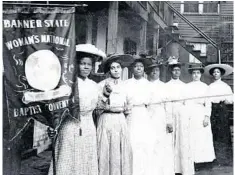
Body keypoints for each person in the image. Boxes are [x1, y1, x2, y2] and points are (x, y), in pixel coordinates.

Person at [48, 44, 106, 175]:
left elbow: (98, 108)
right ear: (76, 65)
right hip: (70, 125)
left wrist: (106, 95)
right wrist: (53, 126)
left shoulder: (94, 86)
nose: (86, 67)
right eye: (82, 63)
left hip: (88, 126)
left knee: (86, 159)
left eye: (89, 64)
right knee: (68, 158)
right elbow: (57, 106)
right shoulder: (68, 83)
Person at [96, 54, 133, 175]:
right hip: (106, 119)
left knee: (120, 151)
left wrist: (126, 121)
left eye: (118, 67)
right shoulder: (102, 85)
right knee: (106, 151)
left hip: (120, 120)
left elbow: (129, 107)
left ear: (122, 69)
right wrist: (105, 97)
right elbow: (97, 107)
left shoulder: (126, 86)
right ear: (109, 70)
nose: (116, 70)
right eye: (112, 68)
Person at [165, 56, 194, 175]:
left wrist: (187, 116)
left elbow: (188, 102)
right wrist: (168, 119)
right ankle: (172, 169)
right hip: (171, 111)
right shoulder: (166, 86)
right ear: (170, 72)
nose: (176, 72)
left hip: (182, 113)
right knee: (170, 140)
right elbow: (166, 102)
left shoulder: (184, 86)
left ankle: (183, 169)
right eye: (174, 70)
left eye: (178, 70)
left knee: (183, 140)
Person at [124, 58, 153, 175]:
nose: (139, 68)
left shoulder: (148, 84)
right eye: (136, 66)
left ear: (144, 69)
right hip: (131, 114)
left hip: (143, 113)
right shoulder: (126, 83)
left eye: (141, 66)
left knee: (144, 142)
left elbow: (151, 102)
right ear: (132, 69)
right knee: (132, 142)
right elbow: (123, 100)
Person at [146, 62, 175, 175]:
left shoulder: (164, 86)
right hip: (147, 115)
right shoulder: (145, 85)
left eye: (157, 70)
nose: (154, 72)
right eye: (152, 70)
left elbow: (168, 104)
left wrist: (169, 121)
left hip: (160, 116)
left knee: (161, 143)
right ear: (148, 72)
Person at [185, 64, 215, 166]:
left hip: (201, 113)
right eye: (194, 73)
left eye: (198, 73)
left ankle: (203, 161)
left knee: (202, 136)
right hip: (190, 113)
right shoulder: (187, 87)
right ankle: (192, 161)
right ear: (191, 75)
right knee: (191, 136)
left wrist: (207, 116)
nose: (196, 75)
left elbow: (208, 103)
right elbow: (185, 102)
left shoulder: (205, 87)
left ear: (201, 74)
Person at [204, 63, 233, 165]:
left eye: (218, 72)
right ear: (212, 74)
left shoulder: (225, 86)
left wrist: (226, 100)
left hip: (222, 110)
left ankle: (225, 158)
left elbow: (230, 100)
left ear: (221, 74)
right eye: (214, 72)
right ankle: (215, 157)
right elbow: (207, 100)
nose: (216, 74)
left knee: (223, 132)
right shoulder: (209, 87)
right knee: (214, 132)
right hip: (213, 109)